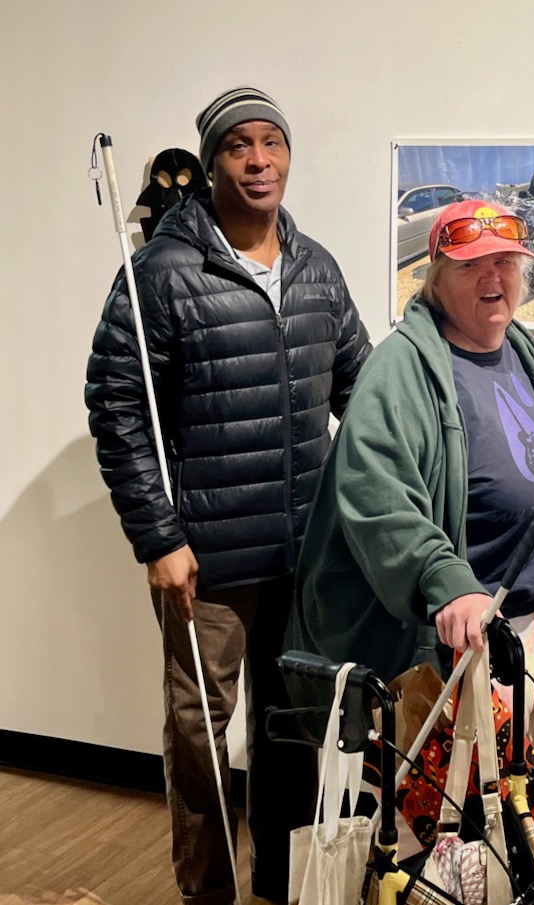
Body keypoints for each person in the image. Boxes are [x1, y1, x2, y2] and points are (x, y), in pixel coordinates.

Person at [85, 86, 371, 905]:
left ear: (288, 155)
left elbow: (362, 388)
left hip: (301, 560)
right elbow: (117, 405)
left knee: (292, 735)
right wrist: (158, 538)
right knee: (200, 740)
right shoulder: (161, 272)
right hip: (204, 562)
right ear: (212, 160)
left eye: (271, 142)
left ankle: (284, 887)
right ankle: (206, 893)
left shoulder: (316, 267)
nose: (258, 159)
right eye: (239, 144)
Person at [287, 198, 534, 751]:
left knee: (510, 812)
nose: (493, 276)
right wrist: (447, 585)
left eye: (506, 262)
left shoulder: (515, 346)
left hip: (526, 632)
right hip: (450, 648)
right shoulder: (401, 369)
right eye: (470, 265)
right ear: (436, 279)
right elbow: (377, 498)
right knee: (445, 823)